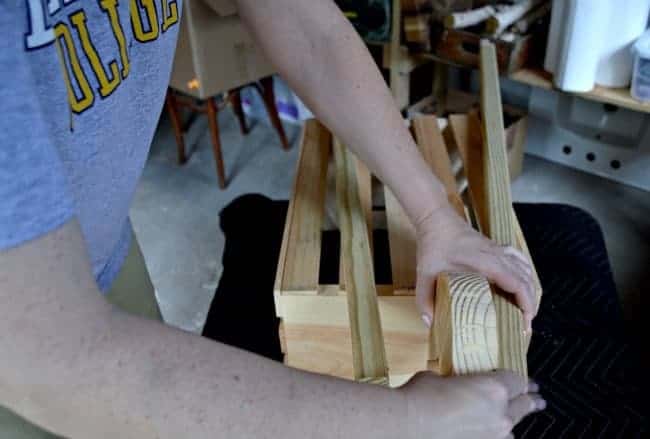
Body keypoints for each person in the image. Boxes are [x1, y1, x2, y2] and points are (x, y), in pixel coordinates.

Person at [0, 0, 543, 437]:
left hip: (96, 241)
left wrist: (433, 215)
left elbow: (300, 19)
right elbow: (54, 356)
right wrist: (406, 421)